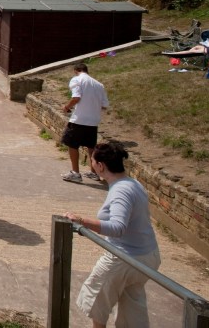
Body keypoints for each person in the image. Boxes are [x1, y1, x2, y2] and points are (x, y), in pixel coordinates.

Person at [65, 141, 161, 328]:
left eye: (92, 161)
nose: (91, 165)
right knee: (132, 307)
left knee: (96, 301)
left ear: (101, 166)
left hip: (124, 257)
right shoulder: (132, 183)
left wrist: (81, 220)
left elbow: (118, 227)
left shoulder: (120, 191)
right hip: (147, 257)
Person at [62, 63, 110, 183]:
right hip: (93, 121)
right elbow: (104, 106)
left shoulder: (77, 80)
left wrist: (66, 107)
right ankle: (94, 173)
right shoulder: (99, 85)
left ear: (76, 71)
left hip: (79, 119)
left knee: (72, 145)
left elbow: (76, 97)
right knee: (91, 147)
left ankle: (75, 173)